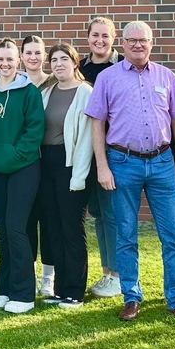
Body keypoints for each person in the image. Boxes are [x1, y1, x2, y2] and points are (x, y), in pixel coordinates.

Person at [85, 20, 175, 322]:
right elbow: (97, 123)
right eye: (132, 40)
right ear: (123, 44)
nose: (138, 45)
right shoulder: (107, 78)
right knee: (125, 234)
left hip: (163, 162)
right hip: (122, 162)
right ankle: (131, 297)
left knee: (173, 235)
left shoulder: (167, 77)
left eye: (144, 40)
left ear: (152, 43)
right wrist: (102, 166)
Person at [0, 39, 45, 314]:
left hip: (24, 167)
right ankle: (5, 288)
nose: (5, 64)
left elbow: (34, 130)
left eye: (10, 59)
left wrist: (16, 156)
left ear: (18, 61)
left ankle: (24, 293)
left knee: (17, 227)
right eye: (0, 59)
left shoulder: (29, 92)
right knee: (4, 229)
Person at [38, 44, 93, 307]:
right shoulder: (46, 92)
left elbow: (87, 139)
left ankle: (75, 290)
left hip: (72, 165)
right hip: (46, 164)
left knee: (71, 228)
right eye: (54, 60)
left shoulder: (85, 93)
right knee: (53, 227)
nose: (58, 64)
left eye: (64, 59)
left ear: (75, 62)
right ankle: (60, 289)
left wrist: (79, 175)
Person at [80, 17, 122, 300]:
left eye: (105, 36)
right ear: (88, 38)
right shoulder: (79, 69)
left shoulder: (121, 68)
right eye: (95, 35)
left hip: (112, 151)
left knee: (112, 214)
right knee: (97, 214)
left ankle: (118, 276)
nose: (100, 40)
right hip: (85, 151)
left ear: (113, 38)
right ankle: (106, 271)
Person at [20, 33, 54, 296]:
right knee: (26, 218)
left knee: (50, 219)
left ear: (45, 56)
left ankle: (48, 277)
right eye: (28, 52)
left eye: (37, 52)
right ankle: (27, 273)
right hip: (23, 161)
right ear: (22, 56)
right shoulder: (16, 84)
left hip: (50, 159)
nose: (33, 57)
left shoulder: (55, 83)